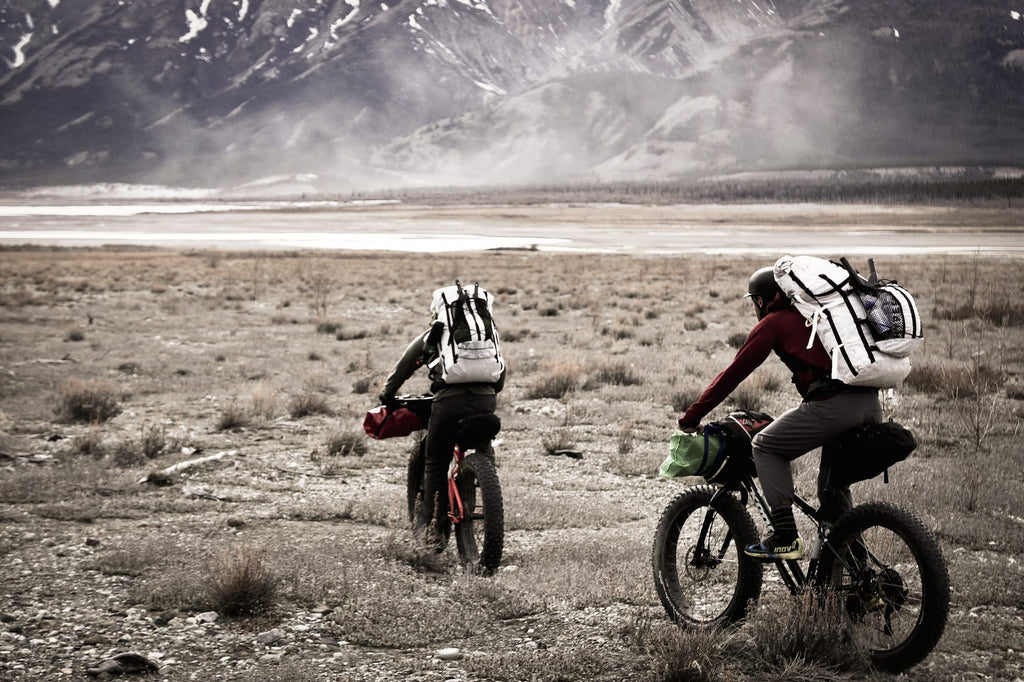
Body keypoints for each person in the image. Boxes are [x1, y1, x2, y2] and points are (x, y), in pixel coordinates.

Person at [676, 266, 882, 560]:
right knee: (831, 492)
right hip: (871, 404)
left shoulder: (774, 322)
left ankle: (785, 536)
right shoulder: (818, 316)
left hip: (836, 407)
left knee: (765, 445)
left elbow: (732, 375)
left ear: (762, 300)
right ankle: (861, 582)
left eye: (755, 302)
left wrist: (692, 417)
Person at [378, 285, 506, 549]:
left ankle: (434, 530)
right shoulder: (487, 336)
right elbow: (500, 377)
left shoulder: (434, 335)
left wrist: (387, 395)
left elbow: (404, 367)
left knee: (435, 462)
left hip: (448, 402)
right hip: (485, 400)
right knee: (482, 449)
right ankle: (483, 495)